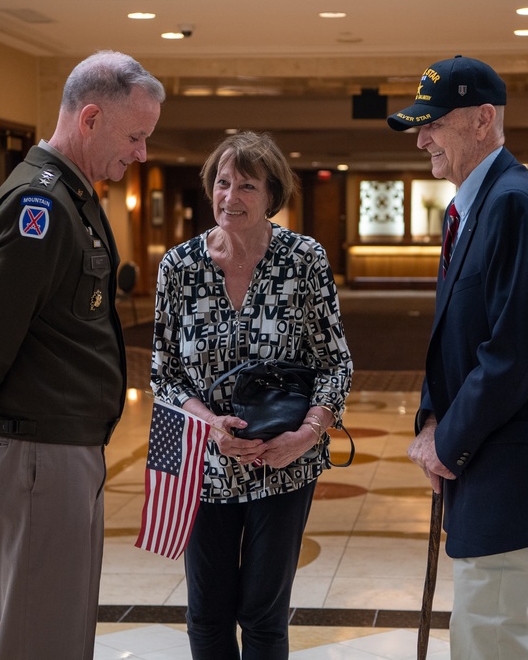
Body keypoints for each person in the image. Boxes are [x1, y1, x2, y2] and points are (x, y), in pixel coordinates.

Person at [0, 50, 165, 660]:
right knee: (41, 635)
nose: (141, 153)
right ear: (89, 118)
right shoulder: (39, 207)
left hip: (62, 450)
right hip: (38, 453)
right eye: (135, 136)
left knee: (60, 630)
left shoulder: (73, 196)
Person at [388, 55, 528, 659]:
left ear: (483, 120)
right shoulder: (471, 205)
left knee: (491, 640)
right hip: (502, 467)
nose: (422, 138)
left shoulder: (512, 203)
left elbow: (516, 353)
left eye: (434, 122)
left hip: (514, 474)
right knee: (521, 639)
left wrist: (445, 440)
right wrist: (433, 417)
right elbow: (459, 339)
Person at [150, 131, 352, 659]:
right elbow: (164, 373)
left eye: (246, 185)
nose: (229, 197)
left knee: (263, 613)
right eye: (221, 182)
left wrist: (307, 435)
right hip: (200, 456)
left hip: (282, 458)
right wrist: (210, 424)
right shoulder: (179, 267)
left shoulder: (303, 260)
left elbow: (334, 363)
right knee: (208, 612)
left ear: (271, 195)